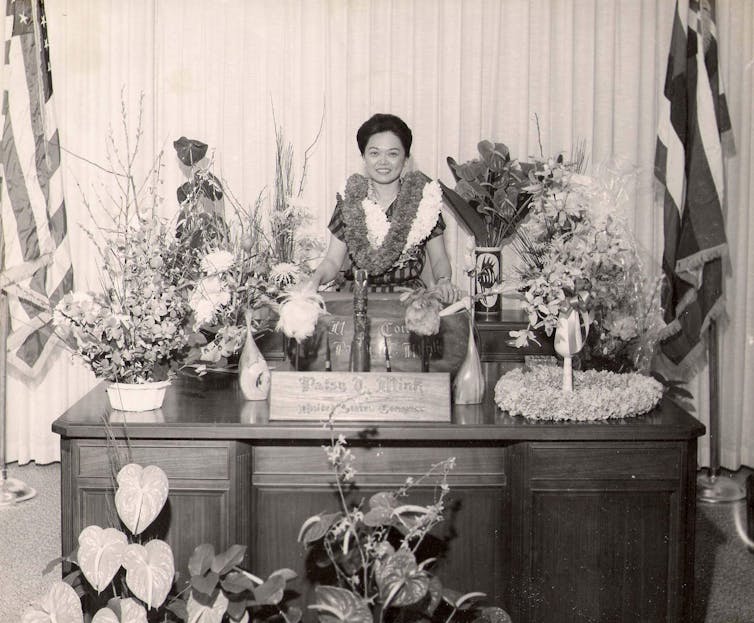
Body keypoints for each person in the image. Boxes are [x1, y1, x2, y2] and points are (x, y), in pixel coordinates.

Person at [306, 113, 457, 303]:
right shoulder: (349, 200)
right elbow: (333, 262)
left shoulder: (425, 201)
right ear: (364, 157)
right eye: (374, 153)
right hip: (354, 299)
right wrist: (314, 280)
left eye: (393, 153)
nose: (383, 161)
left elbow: (439, 259)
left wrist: (444, 281)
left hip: (409, 300)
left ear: (406, 159)